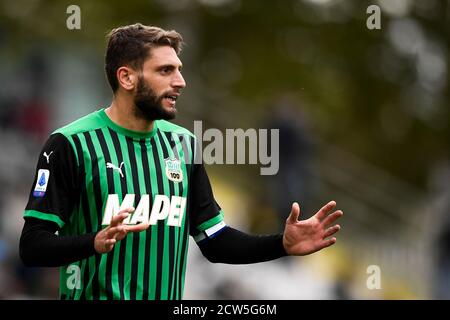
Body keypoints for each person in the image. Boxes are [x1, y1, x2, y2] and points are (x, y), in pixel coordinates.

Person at [19, 23, 343, 300]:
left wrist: (281, 245)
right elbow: (33, 246)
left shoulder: (184, 145)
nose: (180, 81)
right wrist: (93, 241)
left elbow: (214, 242)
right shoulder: (70, 144)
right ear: (127, 78)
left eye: (179, 70)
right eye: (165, 70)